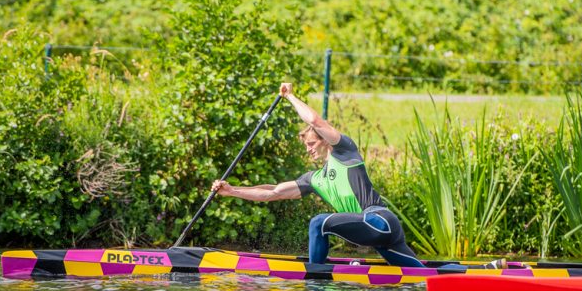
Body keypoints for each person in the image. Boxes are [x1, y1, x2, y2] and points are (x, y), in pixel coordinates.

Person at [212, 83, 506, 269]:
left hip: (378, 219)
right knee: (421, 274)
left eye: (312, 144)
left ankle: (317, 281)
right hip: (381, 237)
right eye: (306, 146)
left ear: (325, 141)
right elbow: (273, 192)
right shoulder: (314, 179)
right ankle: (487, 270)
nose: (309, 150)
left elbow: (314, 120)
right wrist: (232, 190)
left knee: (319, 223)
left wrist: (290, 97)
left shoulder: (345, 151)